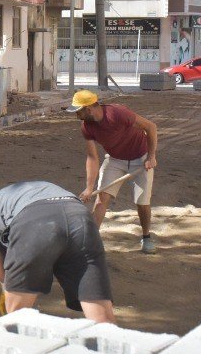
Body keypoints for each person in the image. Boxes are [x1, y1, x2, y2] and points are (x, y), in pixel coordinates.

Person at [0, 180, 114, 323]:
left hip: (35, 219)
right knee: (102, 319)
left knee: (16, 319)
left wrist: (6, 282)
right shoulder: (5, 201)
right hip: (79, 215)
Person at [64, 90, 159, 252]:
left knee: (142, 202)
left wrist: (151, 156)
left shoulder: (118, 114)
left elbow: (150, 127)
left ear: (88, 109)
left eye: (78, 111)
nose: (76, 115)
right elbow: (92, 157)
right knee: (101, 199)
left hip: (140, 158)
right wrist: (89, 187)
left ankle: (146, 237)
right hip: (115, 159)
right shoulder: (87, 127)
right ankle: (90, 243)